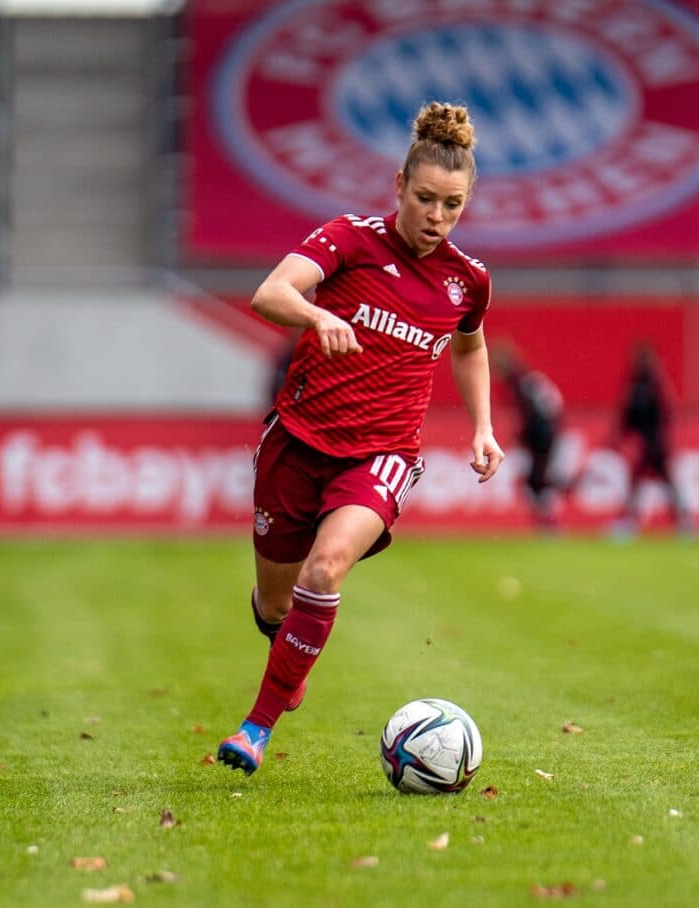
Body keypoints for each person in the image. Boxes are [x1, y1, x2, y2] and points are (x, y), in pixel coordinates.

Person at [216, 102, 504, 776]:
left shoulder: (468, 279)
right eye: (426, 198)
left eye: (452, 205)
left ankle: (255, 729)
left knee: (325, 569)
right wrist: (316, 315)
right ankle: (289, 657)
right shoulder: (349, 239)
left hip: (381, 455)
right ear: (399, 185)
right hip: (297, 441)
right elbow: (270, 294)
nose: (436, 216)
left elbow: (471, 346)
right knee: (275, 603)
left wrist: (484, 426)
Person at [610, 341, 694, 537]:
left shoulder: (644, 383)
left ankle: (630, 522)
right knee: (660, 481)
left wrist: (622, 435)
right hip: (656, 441)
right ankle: (684, 521)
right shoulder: (654, 382)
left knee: (645, 481)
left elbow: (635, 413)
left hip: (653, 442)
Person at [490, 343, 564, 529]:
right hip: (546, 431)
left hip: (539, 433)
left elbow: (529, 411)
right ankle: (546, 521)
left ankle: (549, 522)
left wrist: (522, 435)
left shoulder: (518, 382)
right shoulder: (530, 379)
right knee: (536, 477)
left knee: (535, 478)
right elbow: (553, 404)